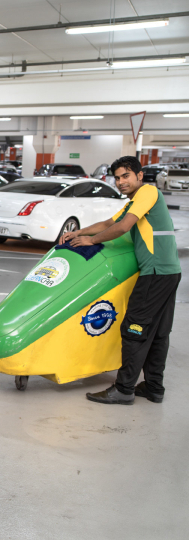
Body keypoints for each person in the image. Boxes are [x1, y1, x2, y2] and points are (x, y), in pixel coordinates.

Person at [60, 155, 181, 405]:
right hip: (169, 272)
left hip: (156, 273)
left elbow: (124, 226)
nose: (120, 182)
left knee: (134, 329)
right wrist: (79, 231)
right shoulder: (136, 201)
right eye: (117, 178)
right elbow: (108, 222)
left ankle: (124, 389)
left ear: (139, 175)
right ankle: (154, 387)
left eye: (125, 176)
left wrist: (91, 241)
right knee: (158, 332)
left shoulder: (147, 192)